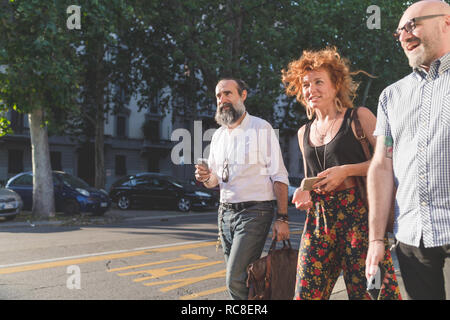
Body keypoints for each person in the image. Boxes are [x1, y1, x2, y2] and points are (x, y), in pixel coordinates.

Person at [282, 47, 402, 300]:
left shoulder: (359, 118)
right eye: (305, 84)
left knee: (372, 293)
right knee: (306, 294)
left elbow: (390, 158)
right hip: (318, 220)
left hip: (358, 215)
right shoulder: (304, 132)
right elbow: (310, 178)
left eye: (318, 82)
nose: (310, 89)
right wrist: (305, 191)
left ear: (336, 85)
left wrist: (347, 170)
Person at [365, 0, 450, 300]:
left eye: (412, 25)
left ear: (446, 22)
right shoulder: (391, 96)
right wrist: (376, 239)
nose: (404, 35)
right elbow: (381, 165)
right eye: (399, 31)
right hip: (413, 240)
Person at [194, 78, 290, 300]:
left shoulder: (261, 127)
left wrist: (283, 218)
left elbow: (279, 175)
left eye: (228, 93)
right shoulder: (218, 136)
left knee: (234, 278)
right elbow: (215, 181)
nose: (222, 99)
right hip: (224, 213)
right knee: (244, 279)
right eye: (219, 96)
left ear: (243, 96)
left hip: (255, 212)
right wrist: (206, 177)